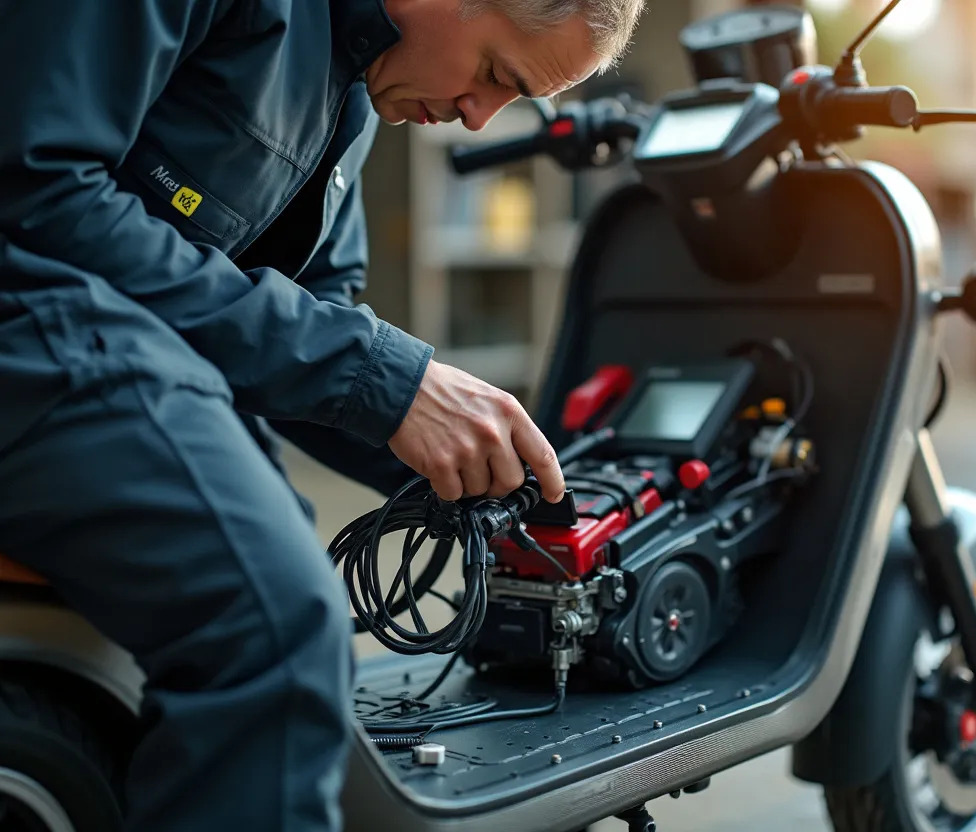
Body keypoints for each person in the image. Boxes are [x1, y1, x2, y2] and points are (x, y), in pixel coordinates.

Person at [0, 0, 643, 829]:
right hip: (30, 311)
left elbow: (315, 310)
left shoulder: (354, 82)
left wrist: (486, 475)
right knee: (276, 630)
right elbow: (37, 187)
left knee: (283, 584)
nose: (481, 119)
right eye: (494, 74)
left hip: (101, 343)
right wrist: (383, 378)